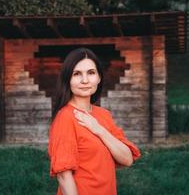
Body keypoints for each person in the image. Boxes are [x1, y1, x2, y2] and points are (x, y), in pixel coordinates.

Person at [48, 48, 141, 195]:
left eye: (91, 73)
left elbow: (127, 159)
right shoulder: (65, 118)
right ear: (68, 79)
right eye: (77, 74)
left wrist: (99, 129)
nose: (85, 80)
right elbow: (64, 176)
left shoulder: (104, 115)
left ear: (99, 77)